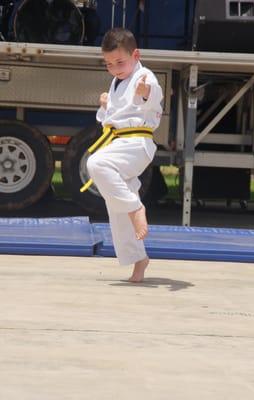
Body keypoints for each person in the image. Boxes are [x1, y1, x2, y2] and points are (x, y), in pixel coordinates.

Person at [86, 27, 163, 282]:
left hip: (136, 143)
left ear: (136, 54)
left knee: (96, 164)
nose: (115, 68)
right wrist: (106, 106)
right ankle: (138, 259)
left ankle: (135, 208)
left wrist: (145, 93)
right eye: (109, 64)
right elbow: (113, 119)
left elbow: (151, 96)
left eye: (120, 61)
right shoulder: (118, 80)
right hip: (120, 143)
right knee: (116, 206)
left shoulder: (144, 76)